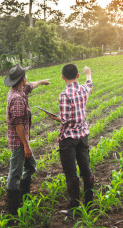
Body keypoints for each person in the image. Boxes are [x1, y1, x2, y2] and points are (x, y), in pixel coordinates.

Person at [47, 64, 94, 214]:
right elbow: (89, 83)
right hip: (83, 135)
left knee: (71, 173)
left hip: (68, 138)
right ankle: (89, 204)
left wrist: (55, 118)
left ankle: (74, 207)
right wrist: (88, 73)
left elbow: (65, 120)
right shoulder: (83, 89)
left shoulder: (64, 94)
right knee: (85, 169)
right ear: (77, 76)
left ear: (62, 77)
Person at [4, 64, 50, 215]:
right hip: (19, 142)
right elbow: (18, 125)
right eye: (25, 76)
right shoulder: (17, 99)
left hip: (22, 141)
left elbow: (31, 86)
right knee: (15, 173)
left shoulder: (20, 90)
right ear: (22, 79)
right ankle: (13, 210)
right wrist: (26, 146)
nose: (27, 79)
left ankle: (24, 196)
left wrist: (42, 81)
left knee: (30, 167)